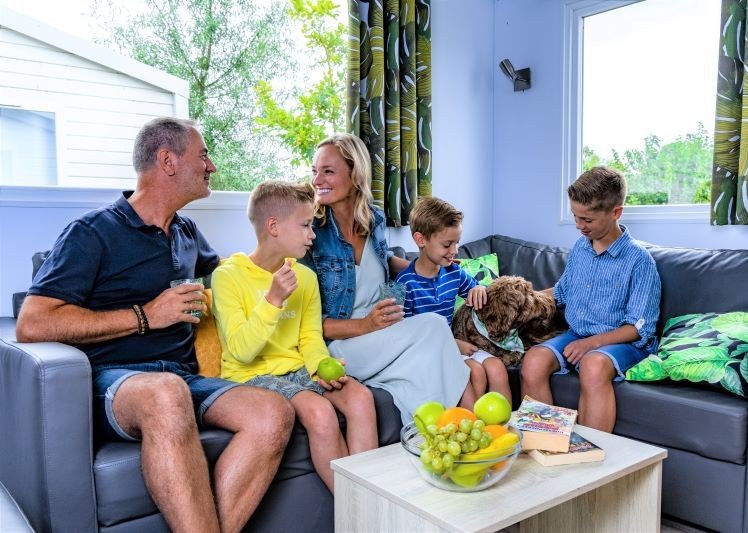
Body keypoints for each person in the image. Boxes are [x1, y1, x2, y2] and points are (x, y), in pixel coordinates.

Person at [15, 117, 294, 533]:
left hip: (183, 377)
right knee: (166, 393)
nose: (212, 166)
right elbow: (32, 323)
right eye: (203, 156)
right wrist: (147, 316)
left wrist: (283, 241)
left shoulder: (186, 232)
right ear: (167, 161)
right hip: (116, 382)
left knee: (272, 412)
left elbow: (230, 279)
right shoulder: (92, 233)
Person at [211, 181, 378, 493]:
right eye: (305, 225)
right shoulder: (227, 276)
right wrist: (272, 301)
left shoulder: (305, 277)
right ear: (273, 226)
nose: (312, 235)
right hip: (250, 376)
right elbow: (242, 351)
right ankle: (355, 508)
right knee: (320, 412)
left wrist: (320, 367)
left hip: (298, 369)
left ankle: (368, 502)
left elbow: (311, 338)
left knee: (360, 397)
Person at [301, 133, 475, 421]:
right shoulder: (311, 233)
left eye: (328, 171)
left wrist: (431, 261)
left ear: (355, 175)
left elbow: (381, 261)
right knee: (433, 327)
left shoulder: (374, 218)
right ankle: (464, 425)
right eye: (315, 171)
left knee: (430, 356)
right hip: (342, 345)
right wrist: (366, 325)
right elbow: (308, 326)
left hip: (382, 334)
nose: (317, 180)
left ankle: (435, 431)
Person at [519, 166, 661, 433]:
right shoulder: (581, 249)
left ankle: (589, 459)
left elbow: (638, 329)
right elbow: (561, 293)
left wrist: (592, 344)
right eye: (575, 217)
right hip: (578, 335)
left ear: (615, 212)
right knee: (533, 360)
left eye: (587, 220)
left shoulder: (639, 260)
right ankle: (545, 443)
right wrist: (522, 299)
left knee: (593, 365)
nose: (579, 226)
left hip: (622, 342)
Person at [396, 197, 512, 403]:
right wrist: (452, 345)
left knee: (497, 368)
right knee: (475, 372)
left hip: (454, 346)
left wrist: (478, 288)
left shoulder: (454, 272)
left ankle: (505, 430)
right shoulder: (405, 284)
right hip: (431, 351)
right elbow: (406, 336)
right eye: (447, 244)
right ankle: (473, 431)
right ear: (420, 240)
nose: (455, 250)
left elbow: (479, 289)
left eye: (457, 243)